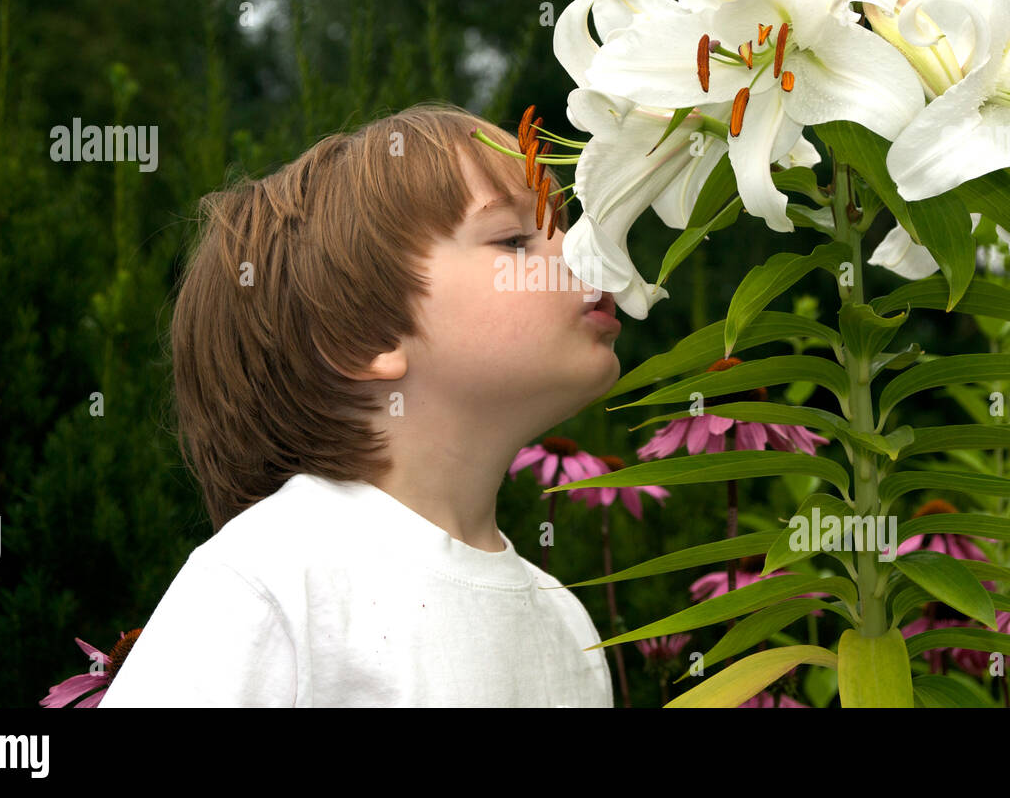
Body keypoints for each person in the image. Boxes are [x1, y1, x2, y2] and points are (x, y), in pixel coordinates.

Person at [98, 100, 620, 706]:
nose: (585, 250)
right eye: (514, 239)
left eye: (565, 222)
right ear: (365, 338)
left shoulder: (565, 623)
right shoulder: (276, 578)